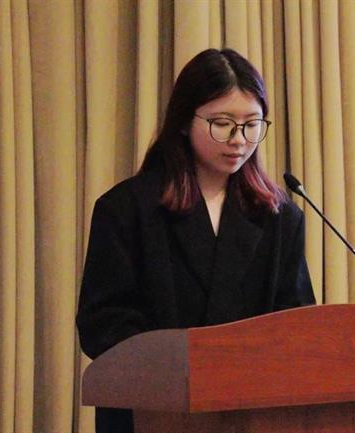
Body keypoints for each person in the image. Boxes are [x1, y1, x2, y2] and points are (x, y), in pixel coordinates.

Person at [76, 48, 315, 433]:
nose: (239, 139)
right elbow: (102, 324)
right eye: (222, 123)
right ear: (185, 122)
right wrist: (186, 368)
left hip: (252, 415)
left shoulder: (280, 218)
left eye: (252, 124)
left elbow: (297, 323)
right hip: (150, 413)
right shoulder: (126, 209)